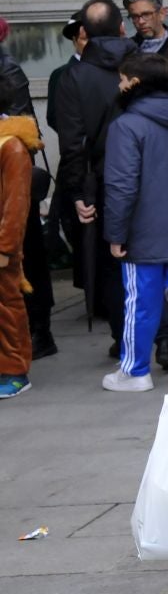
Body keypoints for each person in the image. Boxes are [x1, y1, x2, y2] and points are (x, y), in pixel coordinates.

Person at [101, 52, 168, 392]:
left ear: (133, 83)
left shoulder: (126, 125)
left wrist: (116, 233)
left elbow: (121, 185)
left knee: (140, 303)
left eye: (121, 79)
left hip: (143, 235)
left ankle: (134, 371)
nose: (118, 85)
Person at [55, 0, 136, 350]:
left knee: (110, 263)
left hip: (103, 180)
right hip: (147, 176)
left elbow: (72, 143)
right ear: (122, 27)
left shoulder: (73, 77)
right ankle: (164, 337)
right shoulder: (144, 64)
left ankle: (124, 339)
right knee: (157, 257)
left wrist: (75, 194)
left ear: (84, 32)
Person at [0, 95, 37, 399]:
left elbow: (16, 204)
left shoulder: (11, 147)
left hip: (2, 247)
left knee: (7, 307)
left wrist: (5, 247)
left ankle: (14, 370)